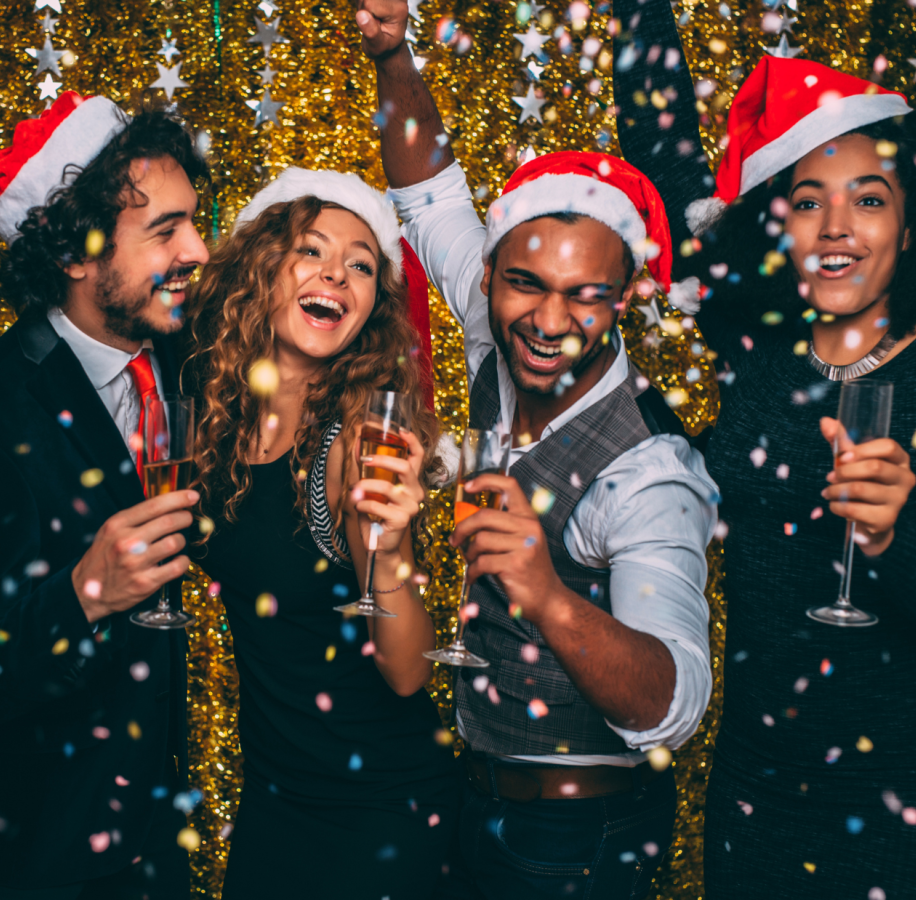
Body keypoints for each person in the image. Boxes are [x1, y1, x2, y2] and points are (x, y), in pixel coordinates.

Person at [356, 4, 719, 897]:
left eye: (585, 296)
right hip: (472, 793)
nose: (550, 323)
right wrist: (395, 53)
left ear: (626, 295)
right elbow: (429, 189)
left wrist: (547, 594)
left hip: (579, 839)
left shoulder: (649, 472)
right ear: (492, 273)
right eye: (525, 285)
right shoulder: (496, 328)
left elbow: (675, 706)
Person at [611, 2, 916, 896]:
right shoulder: (761, 351)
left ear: (908, 220)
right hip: (753, 789)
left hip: (894, 802)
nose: (836, 229)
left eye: (869, 199)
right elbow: (664, 163)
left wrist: (903, 536)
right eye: (807, 202)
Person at [0, 93, 209, 898]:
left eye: (194, 221)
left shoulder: (181, 361)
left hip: (158, 840)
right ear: (75, 252)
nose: (198, 248)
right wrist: (84, 591)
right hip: (45, 852)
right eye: (165, 230)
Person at [185, 168, 458, 899]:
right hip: (275, 798)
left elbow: (406, 673)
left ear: (371, 307)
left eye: (362, 265)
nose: (337, 272)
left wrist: (393, 547)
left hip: (379, 811)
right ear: (259, 270)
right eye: (312, 250)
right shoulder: (213, 416)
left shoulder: (355, 442)